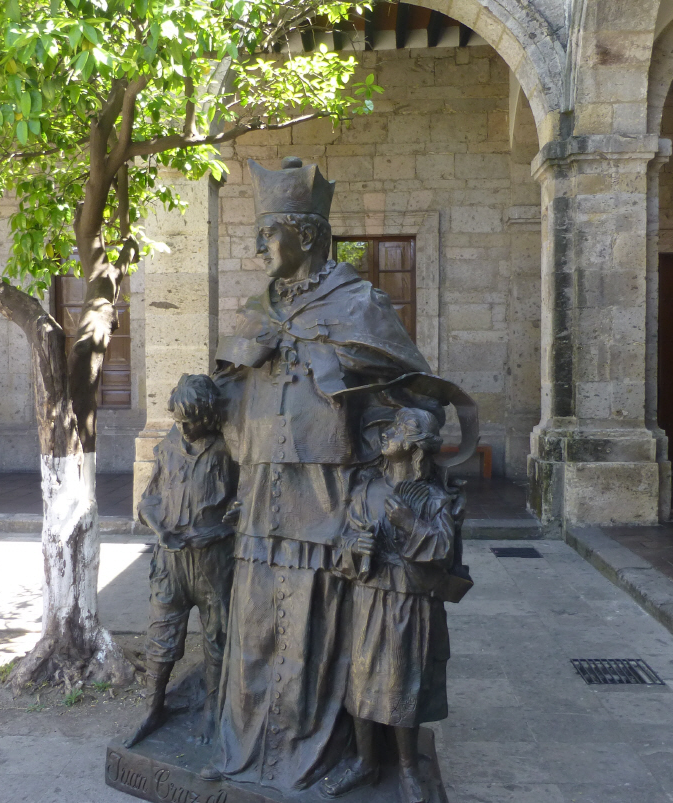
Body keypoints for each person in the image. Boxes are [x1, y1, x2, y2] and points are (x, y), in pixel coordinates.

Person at [204, 157, 435, 791]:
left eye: (268, 233)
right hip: (262, 498)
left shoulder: (361, 305)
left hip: (327, 498)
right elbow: (230, 396)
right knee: (256, 623)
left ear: (305, 233)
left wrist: (389, 454)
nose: (258, 247)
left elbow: (414, 399)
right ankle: (248, 748)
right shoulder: (258, 309)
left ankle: (316, 749)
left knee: (317, 629)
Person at [320, 408, 461, 803]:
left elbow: (444, 550)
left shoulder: (433, 497)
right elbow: (342, 542)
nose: (388, 433)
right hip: (369, 597)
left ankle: (407, 767)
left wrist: (409, 523)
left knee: (404, 682)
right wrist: (355, 547)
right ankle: (365, 761)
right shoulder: (366, 491)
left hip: (411, 602)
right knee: (362, 678)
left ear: (416, 447)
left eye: (400, 429)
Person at [126, 373, 238, 748]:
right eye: (179, 420)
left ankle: (213, 713)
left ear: (208, 416)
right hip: (170, 562)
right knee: (161, 636)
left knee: (218, 638)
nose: (184, 428)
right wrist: (160, 529)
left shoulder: (229, 450)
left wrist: (218, 531)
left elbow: (249, 508)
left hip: (214, 564)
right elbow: (149, 500)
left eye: (191, 421)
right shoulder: (169, 446)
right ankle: (152, 708)